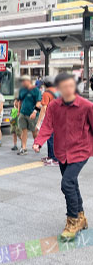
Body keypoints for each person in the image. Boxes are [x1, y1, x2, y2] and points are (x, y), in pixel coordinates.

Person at [33, 73, 93, 241]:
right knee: (72, 182)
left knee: (66, 183)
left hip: (80, 151)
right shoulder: (54, 106)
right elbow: (47, 125)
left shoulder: (86, 106)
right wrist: (39, 142)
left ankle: (72, 220)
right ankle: (81, 218)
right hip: (62, 152)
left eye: (70, 86)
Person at [36, 76, 59, 166]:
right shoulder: (57, 91)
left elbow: (43, 108)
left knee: (51, 138)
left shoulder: (46, 93)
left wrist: (39, 122)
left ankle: (54, 158)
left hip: (52, 118)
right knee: (53, 138)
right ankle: (51, 156)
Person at [16, 75, 42, 155]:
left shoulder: (36, 91)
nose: (23, 83)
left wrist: (34, 112)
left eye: (24, 81)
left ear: (29, 81)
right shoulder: (22, 90)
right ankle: (24, 148)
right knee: (23, 130)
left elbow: (38, 102)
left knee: (34, 132)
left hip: (32, 114)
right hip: (23, 113)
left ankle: (37, 144)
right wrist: (18, 111)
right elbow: (20, 101)